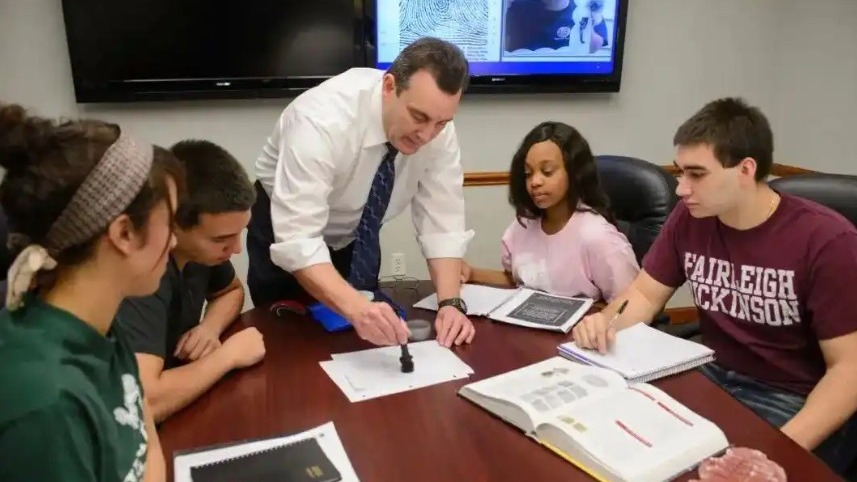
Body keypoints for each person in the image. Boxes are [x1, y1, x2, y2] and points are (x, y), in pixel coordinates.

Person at [573, 97, 857, 474]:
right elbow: (643, 294)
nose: (680, 189)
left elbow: (848, 369)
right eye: (680, 173)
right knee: (620, 438)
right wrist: (606, 322)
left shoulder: (827, 240)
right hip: (713, 371)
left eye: (696, 174)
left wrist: (782, 449)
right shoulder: (691, 218)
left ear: (745, 170)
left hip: (790, 394)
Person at [248, 37, 475, 348]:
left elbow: (443, 221)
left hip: (356, 234)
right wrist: (358, 309)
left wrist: (450, 303)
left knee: (359, 342)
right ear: (389, 87)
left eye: (441, 123)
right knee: (289, 344)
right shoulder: (319, 120)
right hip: (284, 228)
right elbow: (299, 242)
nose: (427, 135)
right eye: (419, 117)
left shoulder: (438, 130)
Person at [0, 104, 183, 481]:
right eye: (170, 222)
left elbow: (144, 441)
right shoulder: (44, 403)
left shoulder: (101, 324)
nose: (175, 241)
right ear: (123, 233)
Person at [116, 140, 265, 424]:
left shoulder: (201, 254)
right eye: (221, 239)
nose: (236, 249)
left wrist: (210, 327)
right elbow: (143, 404)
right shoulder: (143, 276)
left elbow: (231, 291)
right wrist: (227, 357)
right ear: (173, 225)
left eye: (239, 234)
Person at [460, 121, 638, 302]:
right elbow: (516, 282)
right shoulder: (524, 224)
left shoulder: (599, 237)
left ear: (574, 173)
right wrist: (472, 273)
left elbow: (629, 305)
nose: (535, 182)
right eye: (528, 173)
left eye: (547, 171)